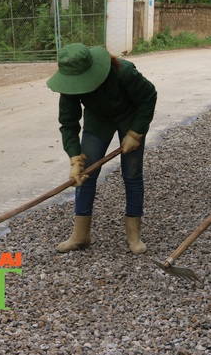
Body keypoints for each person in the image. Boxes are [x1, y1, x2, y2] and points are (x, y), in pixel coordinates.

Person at [46, 43, 157, 255]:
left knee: (132, 174)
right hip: (98, 120)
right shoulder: (70, 83)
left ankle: (134, 235)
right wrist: (74, 159)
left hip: (130, 117)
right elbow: (68, 124)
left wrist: (136, 132)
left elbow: (148, 97)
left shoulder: (124, 73)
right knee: (86, 173)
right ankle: (80, 235)